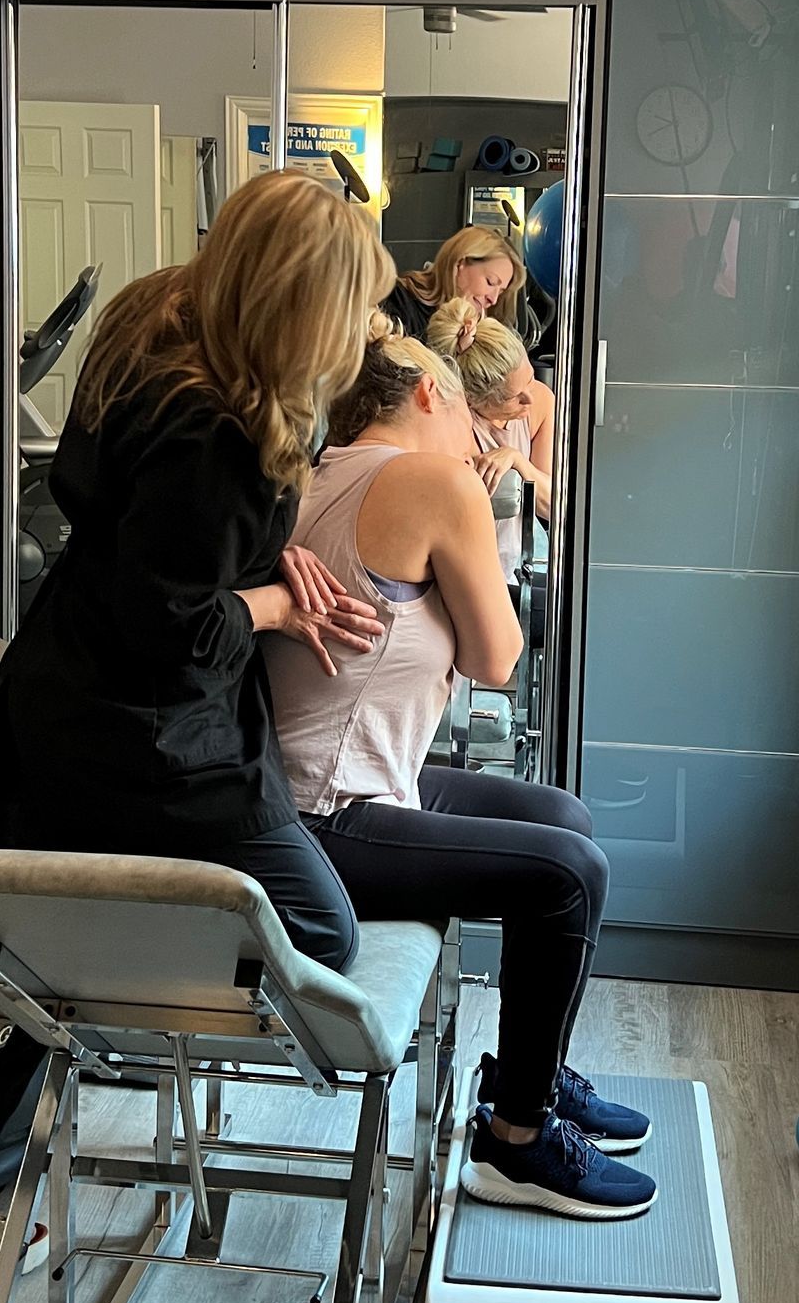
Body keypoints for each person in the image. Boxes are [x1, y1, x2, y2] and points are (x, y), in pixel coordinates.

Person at [0, 173, 393, 1295]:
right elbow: (175, 626)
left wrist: (253, 555)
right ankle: (47, 986)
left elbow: (131, 520)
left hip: (56, 690)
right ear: (301, 303)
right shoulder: (226, 433)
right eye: (355, 312)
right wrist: (274, 603)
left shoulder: (158, 316)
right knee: (319, 937)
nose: (362, 339)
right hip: (146, 731)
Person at [263, 321, 655, 1220]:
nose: (483, 437)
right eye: (467, 413)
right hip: (328, 817)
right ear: (429, 392)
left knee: (566, 818)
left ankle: (536, 1076)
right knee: (570, 874)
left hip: (347, 779)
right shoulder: (428, 481)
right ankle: (514, 1143)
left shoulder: (320, 474)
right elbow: (499, 658)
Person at [427, 295, 555, 581]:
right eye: (514, 397)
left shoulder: (542, 402)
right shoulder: (454, 423)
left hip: (525, 563)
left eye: (531, 379)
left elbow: (553, 507)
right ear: (473, 400)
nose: (529, 398)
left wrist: (517, 460)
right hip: (470, 570)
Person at [383, 223, 524, 342]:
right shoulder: (398, 301)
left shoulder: (475, 330)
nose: (493, 300)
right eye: (490, 282)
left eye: (501, 291)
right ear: (460, 264)